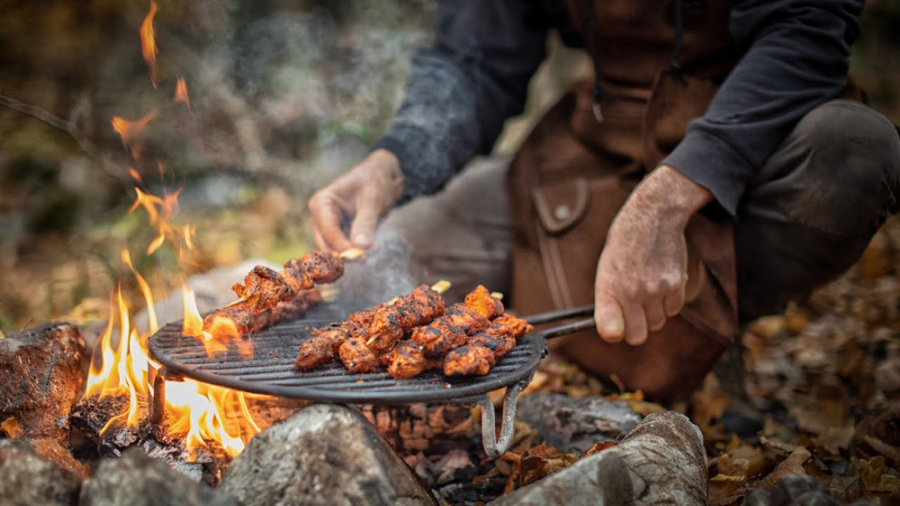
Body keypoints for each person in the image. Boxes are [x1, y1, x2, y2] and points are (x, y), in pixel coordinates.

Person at [307, 1, 900, 401]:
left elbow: (806, 30)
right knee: (391, 255)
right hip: (596, 145)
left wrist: (671, 196)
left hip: (761, 140)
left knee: (855, 150)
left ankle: (714, 333)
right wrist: (393, 162)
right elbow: (474, 58)